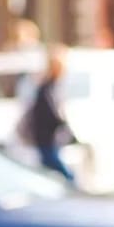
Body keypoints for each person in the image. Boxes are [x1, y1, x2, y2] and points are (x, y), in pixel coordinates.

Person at [28, 45, 75, 183]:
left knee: (48, 170)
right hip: (46, 138)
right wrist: (63, 123)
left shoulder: (51, 86)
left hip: (49, 138)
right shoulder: (47, 88)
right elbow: (50, 114)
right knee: (63, 173)